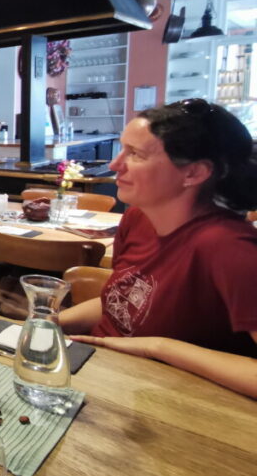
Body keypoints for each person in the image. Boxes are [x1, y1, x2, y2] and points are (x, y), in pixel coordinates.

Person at [60, 99, 257, 399]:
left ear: (193, 173)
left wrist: (159, 347)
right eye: (122, 149)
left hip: (165, 401)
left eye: (135, 154)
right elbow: (125, 304)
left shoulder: (230, 248)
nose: (115, 165)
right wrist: (49, 323)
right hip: (103, 376)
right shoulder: (137, 218)